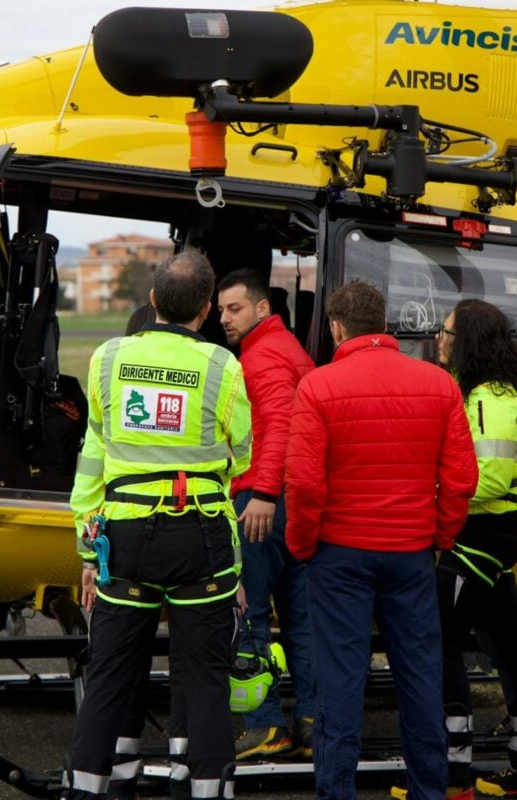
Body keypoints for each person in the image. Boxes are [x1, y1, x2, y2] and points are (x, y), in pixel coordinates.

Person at [64, 248, 253, 800]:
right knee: (205, 681)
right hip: (201, 536)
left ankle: (86, 788)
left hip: (122, 538)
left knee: (109, 676)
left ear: (152, 302)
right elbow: (241, 452)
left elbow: (92, 457)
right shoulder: (223, 365)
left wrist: (85, 549)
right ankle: (202, 789)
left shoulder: (105, 359)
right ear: (205, 310)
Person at [285, 280, 478, 800]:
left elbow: (304, 482)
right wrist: (438, 537)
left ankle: (336, 792)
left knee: (340, 683)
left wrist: (303, 545)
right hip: (411, 553)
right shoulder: (438, 385)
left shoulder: (318, 387)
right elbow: (461, 478)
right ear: (384, 323)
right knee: (420, 680)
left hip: (339, 554)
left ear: (337, 327)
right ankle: (429, 791)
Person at [432, 300, 517, 800]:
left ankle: (452, 774)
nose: (439, 338)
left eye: (446, 332)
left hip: (480, 531)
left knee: (439, 640)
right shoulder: (489, 391)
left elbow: (485, 480)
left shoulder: (490, 398)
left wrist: (432, 493)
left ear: (470, 340)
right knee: (506, 643)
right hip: (490, 530)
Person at [216, 268, 317, 760]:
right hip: (293, 504)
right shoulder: (286, 349)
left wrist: (263, 492)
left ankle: (265, 726)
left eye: (234, 309)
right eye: (220, 310)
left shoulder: (264, 356)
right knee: (300, 616)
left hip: (262, 503)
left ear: (261, 309)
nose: (224, 318)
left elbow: (279, 425)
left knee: (249, 615)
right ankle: (312, 720)